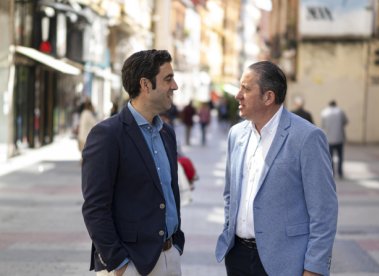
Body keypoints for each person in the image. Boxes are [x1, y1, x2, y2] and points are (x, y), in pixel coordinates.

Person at [215, 61, 338, 276]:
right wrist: (229, 229)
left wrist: (314, 268)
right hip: (237, 258)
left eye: (246, 88)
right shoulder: (236, 135)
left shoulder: (307, 137)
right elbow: (230, 194)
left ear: (268, 97)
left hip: (286, 263)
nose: (238, 95)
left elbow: (324, 210)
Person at [82, 49, 185, 276]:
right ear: (145, 85)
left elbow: (169, 192)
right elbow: (95, 207)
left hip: (170, 257)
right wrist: (117, 262)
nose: (175, 86)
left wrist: (176, 244)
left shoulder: (167, 133)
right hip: (131, 264)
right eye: (168, 79)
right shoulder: (107, 135)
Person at [321, 100, 349, 179]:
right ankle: (340, 173)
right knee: (340, 157)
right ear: (336, 105)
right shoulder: (340, 111)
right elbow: (345, 122)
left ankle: (331, 173)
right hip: (339, 138)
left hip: (329, 139)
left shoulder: (324, 112)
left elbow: (323, 125)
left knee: (330, 157)